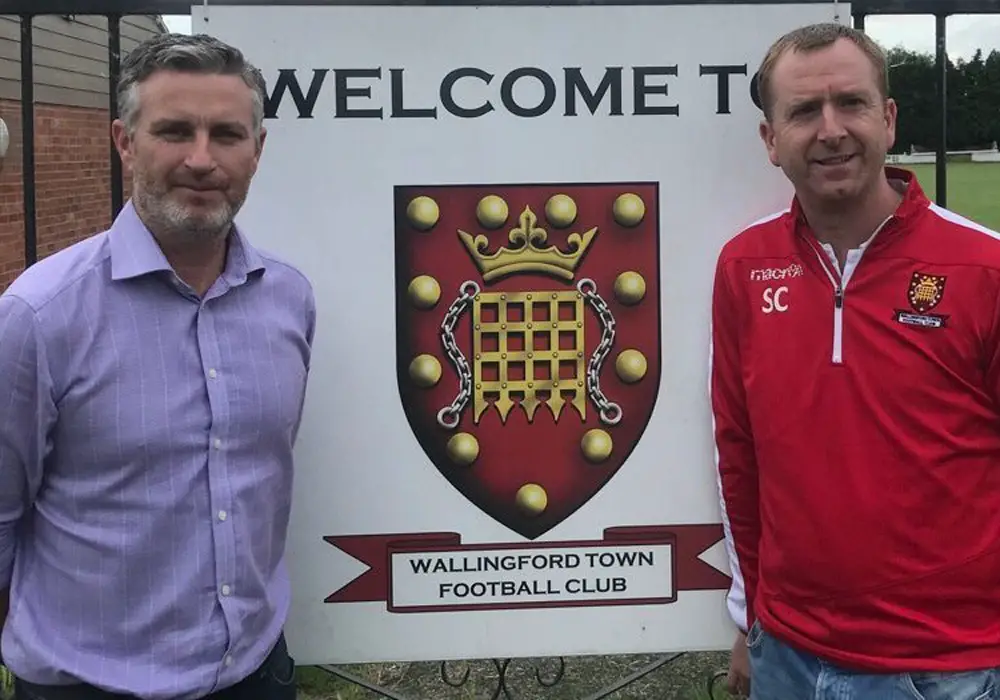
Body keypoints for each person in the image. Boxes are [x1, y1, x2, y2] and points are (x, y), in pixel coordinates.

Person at [0, 32, 316, 700]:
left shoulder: (290, 300)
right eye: (174, 131)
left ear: (257, 152)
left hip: (256, 676)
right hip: (87, 686)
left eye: (227, 135)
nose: (202, 160)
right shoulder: (38, 316)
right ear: (124, 141)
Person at [712, 21, 1000, 700]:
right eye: (805, 111)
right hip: (787, 651)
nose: (831, 129)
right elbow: (737, 451)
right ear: (770, 138)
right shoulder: (742, 266)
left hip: (949, 667)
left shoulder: (984, 267)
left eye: (852, 103)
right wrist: (750, 618)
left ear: (889, 118)